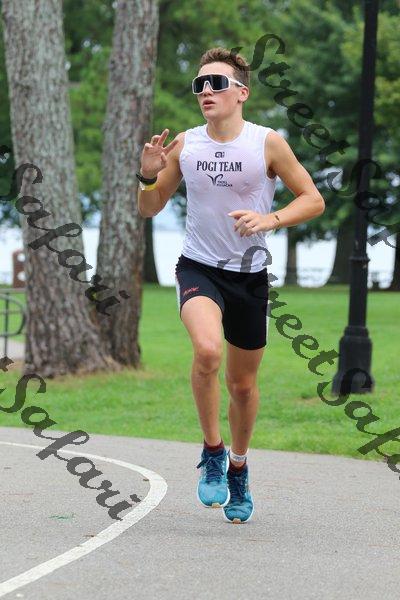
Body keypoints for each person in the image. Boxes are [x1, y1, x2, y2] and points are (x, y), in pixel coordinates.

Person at [137, 47, 325, 524]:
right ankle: (213, 451)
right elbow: (149, 208)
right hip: (198, 267)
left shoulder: (268, 143)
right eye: (199, 85)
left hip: (249, 276)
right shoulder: (186, 144)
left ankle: (239, 466)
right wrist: (147, 175)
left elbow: (313, 199)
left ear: (241, 93)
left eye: (216, 83)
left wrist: (269, 219)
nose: (206, 91)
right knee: (207, 351)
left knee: (242, 386)